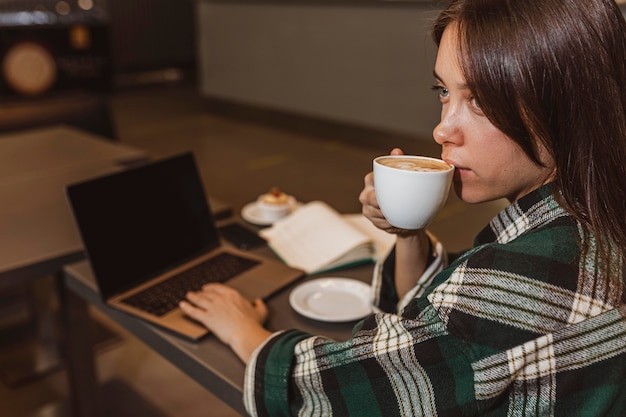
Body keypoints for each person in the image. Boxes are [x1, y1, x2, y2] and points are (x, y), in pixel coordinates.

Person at [180, 0, 626, 415]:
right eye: (444, 91)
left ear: (568, 105)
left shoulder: (537, 275)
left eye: (481, 100)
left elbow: (348, 386)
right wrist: (407, 231)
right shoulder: (588, 220)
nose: (442, 129)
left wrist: (244, 331)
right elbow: (441, 332)